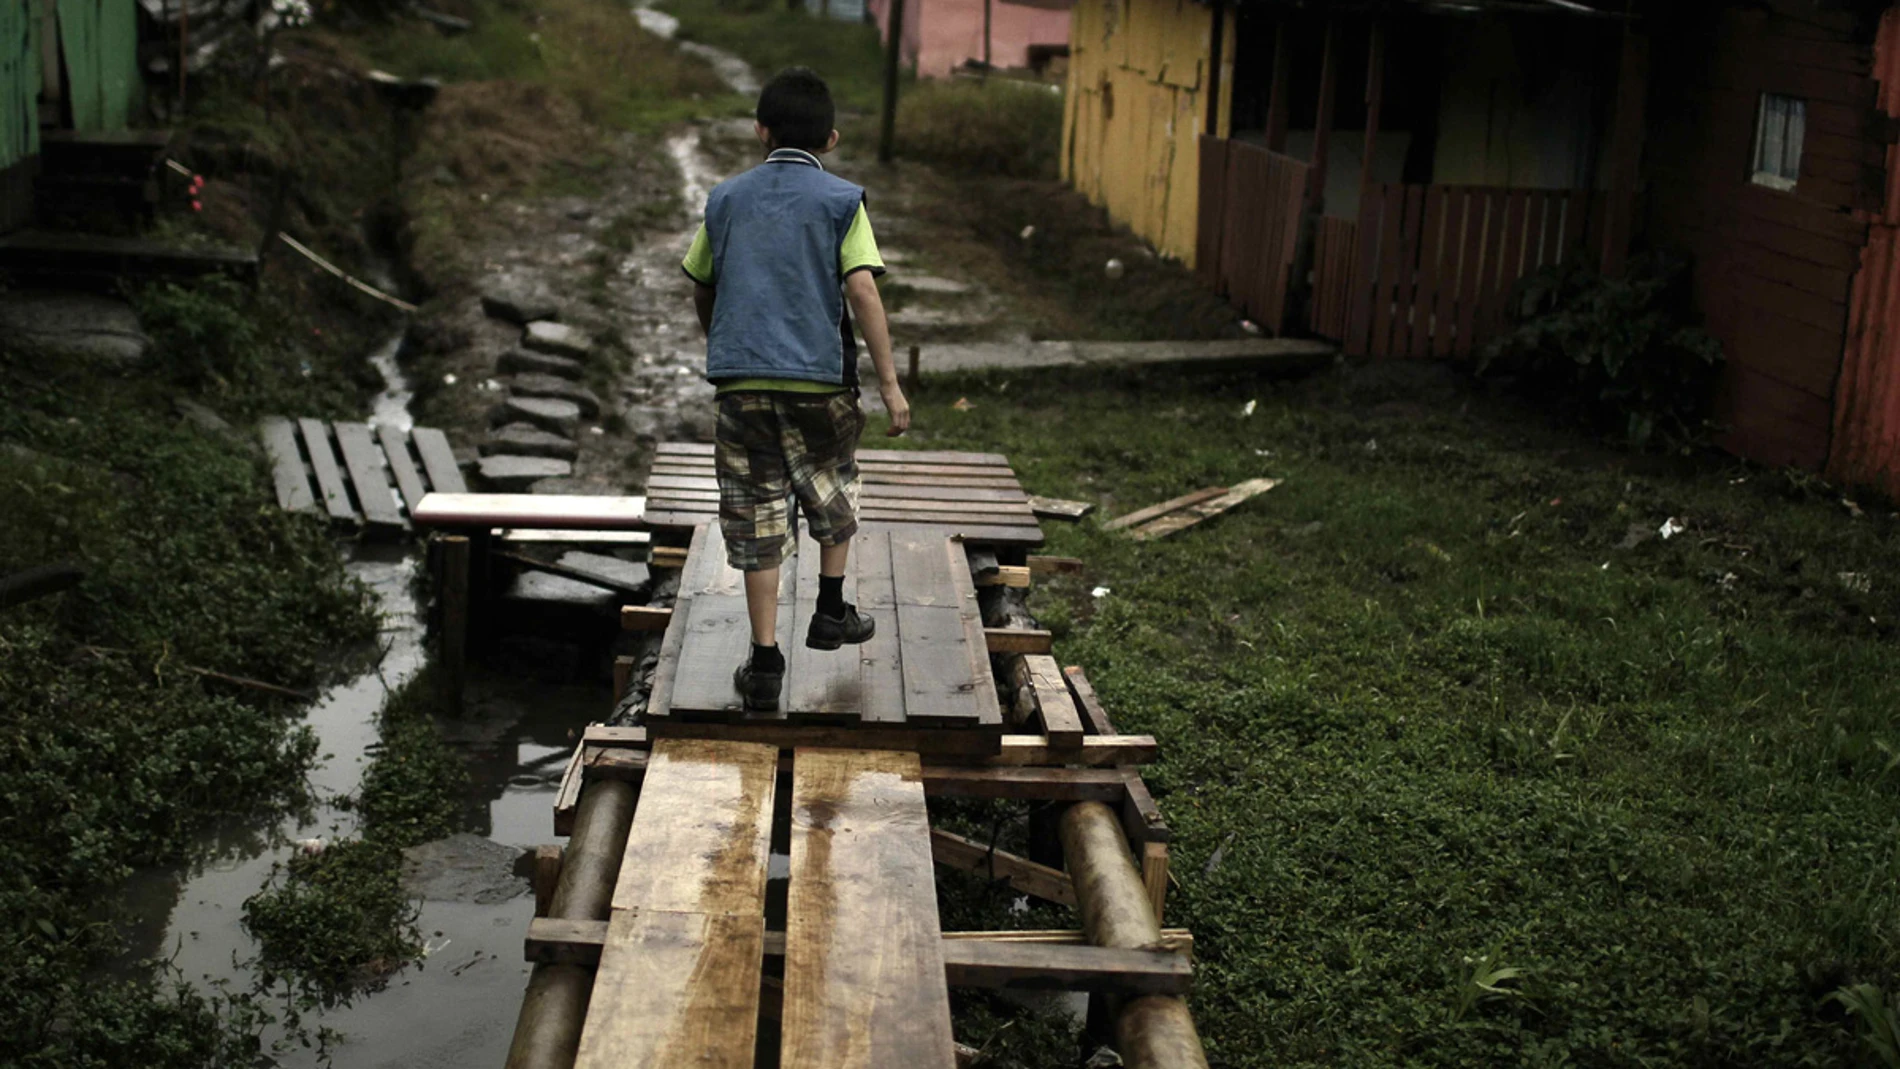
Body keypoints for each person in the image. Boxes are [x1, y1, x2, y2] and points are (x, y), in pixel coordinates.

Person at [681, 66, 911, 713]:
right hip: (819, 379)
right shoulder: (842, 202)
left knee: (754, 510)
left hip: (741, 385)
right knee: (832, 477)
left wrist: (721, 340)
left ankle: (762, 662)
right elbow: (862, 290)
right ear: (831, 140)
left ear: (759, 130)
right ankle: (831, 609)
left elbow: (702, 282)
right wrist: (891, 387)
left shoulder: (724, 199)